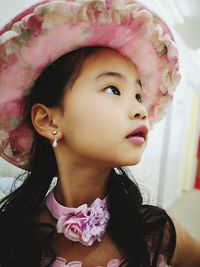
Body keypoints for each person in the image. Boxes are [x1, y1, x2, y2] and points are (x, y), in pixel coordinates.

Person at [0, 0, 199, 266]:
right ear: (47, 120)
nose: (141, 110)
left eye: (139, 95)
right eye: (113, 89)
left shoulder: (158, 232)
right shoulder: (12, 236)